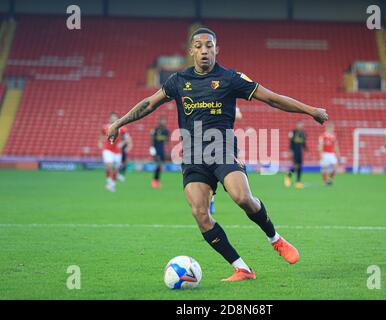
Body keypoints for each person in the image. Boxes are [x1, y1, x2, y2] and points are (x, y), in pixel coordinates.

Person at [107, 27, 328, 281]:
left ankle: (275, 238)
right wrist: (119, 122)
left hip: (221, 149)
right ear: (191, 51)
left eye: (209, 46)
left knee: (243, 198)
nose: (204, 50)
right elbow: (149, 103)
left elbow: (272, 98)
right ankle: (242, 268)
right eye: (199, 46)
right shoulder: (178, 81)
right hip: (191, 155)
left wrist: (310, 110)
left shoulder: (230, 78)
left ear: (216, 49)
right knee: (200, 214)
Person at [99, 112, 131, 192]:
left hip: (117, 151)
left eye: (115, 117)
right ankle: (109, 180)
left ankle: (112, 184)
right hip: (107, 149)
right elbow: (102, 137)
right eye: (112, 117)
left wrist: (122, 143)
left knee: (116, 169)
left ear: (118, 119)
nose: (114, 119)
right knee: (109, 165)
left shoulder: (123, 129)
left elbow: (127, 139)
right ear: (109, 118)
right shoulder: (105, 127)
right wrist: (100, 143)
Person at [284, 121, 307, 189]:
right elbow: (291, 142)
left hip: (300, 152)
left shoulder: (303, 133)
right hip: (295, 151)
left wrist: (306, 150)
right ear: (296, 125)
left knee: (300, 166)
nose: (301, 126)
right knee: (296, 166)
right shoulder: (293, 132)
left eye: (301, 125)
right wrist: (291, 151)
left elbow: (304, 143)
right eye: (299, 125)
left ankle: (298, 181)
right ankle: (288, 177)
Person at [150, 116, 170, 188]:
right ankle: (154, 181)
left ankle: (156, 180)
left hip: (162, 151)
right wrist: (152, 150)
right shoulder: (155, 130)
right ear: (159, 122)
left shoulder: (166, 131)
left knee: (160, 166)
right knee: (158, 165)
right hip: (156, 151)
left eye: (164, 121)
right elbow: (151, 140)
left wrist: (168, 150)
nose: (163, 122)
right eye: (161, 120)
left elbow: (167, 140)